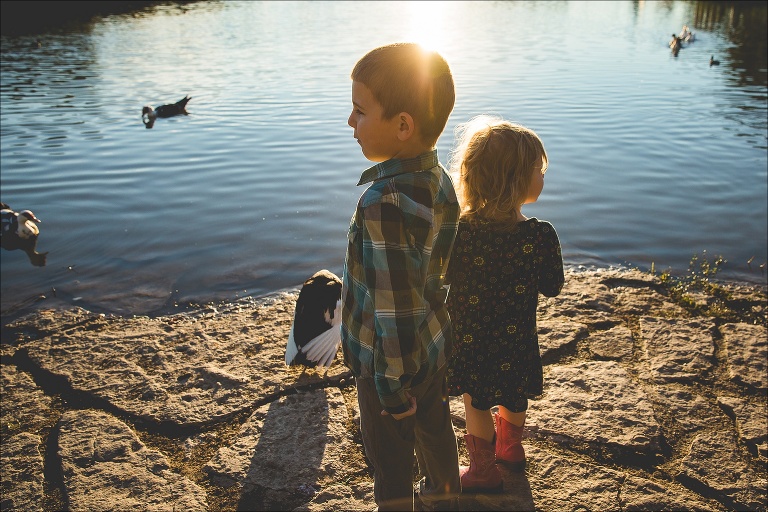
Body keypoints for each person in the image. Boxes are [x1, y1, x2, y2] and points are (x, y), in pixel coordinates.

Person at [341, 42, 461, 511]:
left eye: (359, 111)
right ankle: (445, 501)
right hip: (431, 348)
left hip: (386, 366)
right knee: (436, 436)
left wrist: (390, 388)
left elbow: (394, 306)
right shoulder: (438, 179)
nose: (350, 122)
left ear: (402, 126)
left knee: (390, 463)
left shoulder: (382, 205)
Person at [444, 115, 564, 492]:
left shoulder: (459, 232)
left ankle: (482, 470)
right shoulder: (540, 235)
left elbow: (443, 276)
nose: (543, 177)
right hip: (517, 336)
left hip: (469, 337)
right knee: (513, 390)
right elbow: (553, 286)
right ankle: (511, 448)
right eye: (537, 170)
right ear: (516, 181)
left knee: (475, 401)